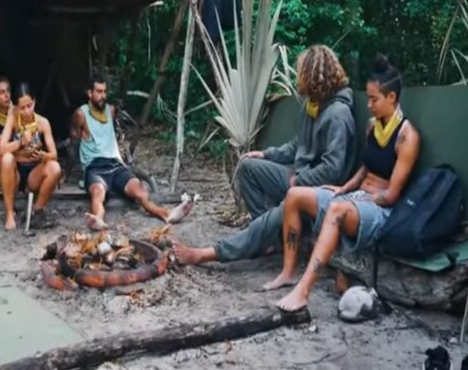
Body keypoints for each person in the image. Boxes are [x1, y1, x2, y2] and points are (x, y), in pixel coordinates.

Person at [174, 45, 356, 265]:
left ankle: (211, 253)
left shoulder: (338, 114)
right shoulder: (312, 105)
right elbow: (298, 145)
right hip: (299, 178)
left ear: (312, 75)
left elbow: (334, 170)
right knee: (248, 167)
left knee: (281, 209)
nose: (298, 78)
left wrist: (300, 181)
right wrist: (266, 154)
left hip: (319, 190)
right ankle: (268, 238)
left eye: (301, 73)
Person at [268, 55, 420, 312]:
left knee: (337, 210)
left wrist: (353, 199)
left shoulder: (407, 136)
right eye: (368, 98)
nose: (368, 105)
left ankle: (302, 292)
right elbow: (365, 168)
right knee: (295, 195)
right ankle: (288, 272)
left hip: (380, 210)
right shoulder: (372, 126)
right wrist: (344, 189)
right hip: (356, 198)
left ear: (391, 97)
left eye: (374, 99)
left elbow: (392, 195)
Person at [70, 75, 194, 231]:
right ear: (89, 93)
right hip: (95, 167)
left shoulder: (110, 111)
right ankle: (98, 219)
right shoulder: (80, 115)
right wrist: (68, 173)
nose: (103, 96)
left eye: (105, 92)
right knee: (98, 193)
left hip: (115, 165)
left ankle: (166, 214)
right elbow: (73, 144)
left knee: (139, 190)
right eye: (99, 92)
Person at [0, 83, 62, 230]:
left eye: (30, 106)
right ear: (16, 107)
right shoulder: (12, 119)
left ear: (34, 102)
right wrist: (20, 142)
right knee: (7, 159)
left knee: (55, 168)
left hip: (34, 173)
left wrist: (44, 156)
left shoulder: (43, 123)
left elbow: (54, 155)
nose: (27, 111)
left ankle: (36, 211)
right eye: (22, 108)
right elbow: (1, 148)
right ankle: (9, 213)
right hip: (16, 172)